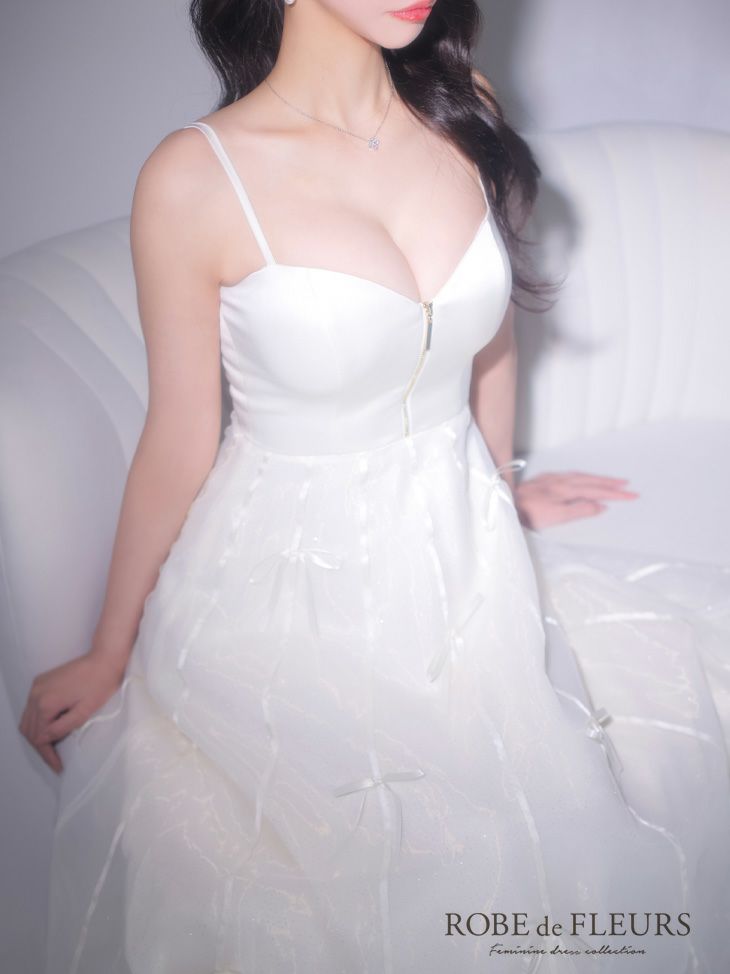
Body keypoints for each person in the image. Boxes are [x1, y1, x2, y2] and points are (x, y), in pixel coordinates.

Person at [18, 2, 730, 972]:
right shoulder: (193, 175)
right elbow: (179, 436)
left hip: (463, 547)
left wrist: (501, 487)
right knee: (399, 872)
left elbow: (489, 345)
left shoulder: (463, 110)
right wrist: (110, 649)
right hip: (285, 591)